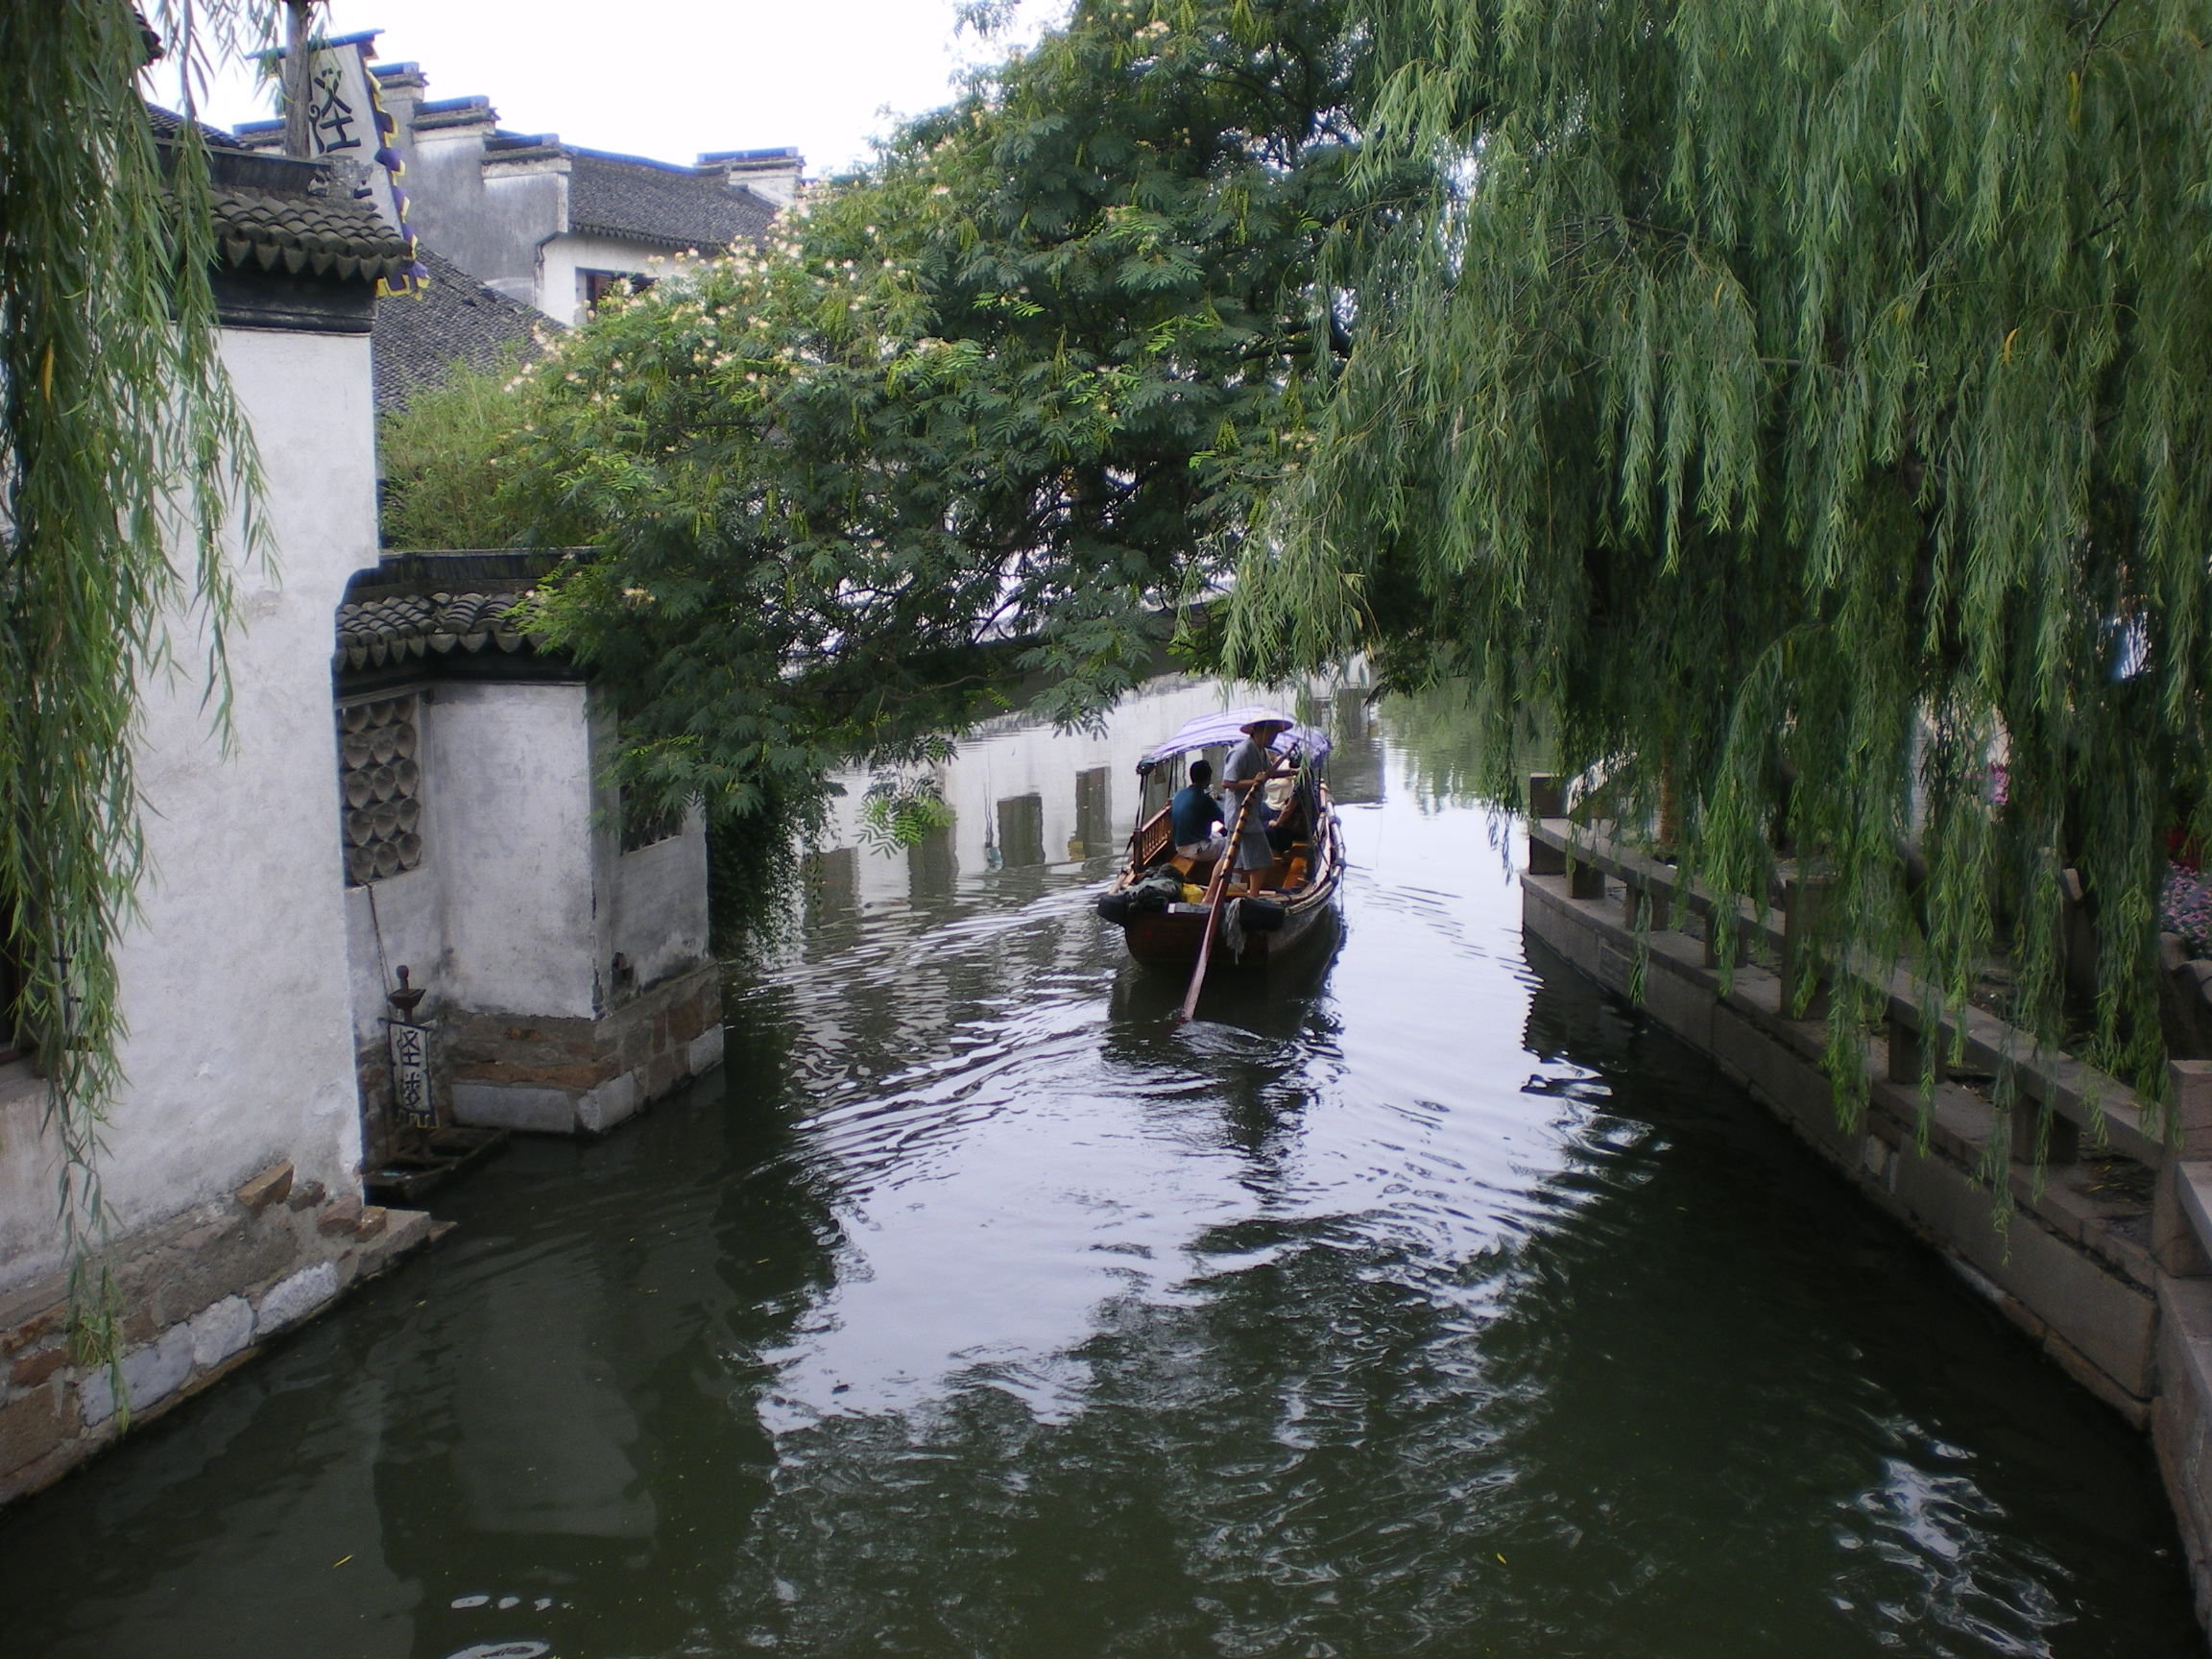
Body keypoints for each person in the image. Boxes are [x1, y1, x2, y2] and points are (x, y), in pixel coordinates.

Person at [1221, 716, 1292, 889]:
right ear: (1257, 731)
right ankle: (1253, 897)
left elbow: (1267, 774)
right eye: (1270, 733)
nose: (1273, 737)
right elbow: (1227, 783)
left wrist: (1293, 771)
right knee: (1260, 860)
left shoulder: (1261, 752)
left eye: (1275, 734)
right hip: (1240, 815)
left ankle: (1212, 897)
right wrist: (1254, 781)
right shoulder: (1242, 752)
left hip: (1251, 815)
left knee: (1228, 860)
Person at [1168, 759, 1226, 860]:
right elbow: (1225, 820)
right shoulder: (1204, 799)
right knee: (1230, 844)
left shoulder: (1179, 794)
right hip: (1197, 849)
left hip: (1179, 847)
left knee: (1217, 833)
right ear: (1207, 778)